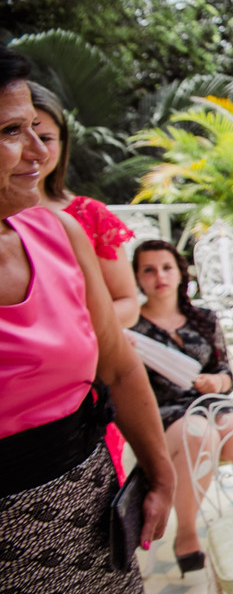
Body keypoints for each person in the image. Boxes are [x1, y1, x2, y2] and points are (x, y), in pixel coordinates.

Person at [0, 47, 175, 594]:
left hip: (84, 511)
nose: (36, 151)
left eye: (37, 130)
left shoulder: (58, 235)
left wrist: (160, 471)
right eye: (9, 132)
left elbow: (120, 367)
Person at [130, 238, 233, 574]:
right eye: (149, 270)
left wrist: (217, 383)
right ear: (137, 277)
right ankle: (187, 531)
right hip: (163, 411)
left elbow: (226, 373)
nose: (159, 276)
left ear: (180, 272)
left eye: (166, 267)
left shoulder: (203, 318)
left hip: (211, 400)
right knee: (198, 435)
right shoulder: (131, 328)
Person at [31, 81, 140, 481]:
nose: (35, 149)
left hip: (87, 381)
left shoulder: (86, 215)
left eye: (45, 136)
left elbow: (128, 301)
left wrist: (72, 331)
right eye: (12, 131)